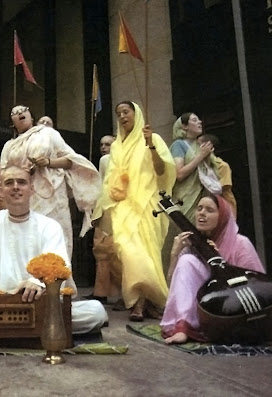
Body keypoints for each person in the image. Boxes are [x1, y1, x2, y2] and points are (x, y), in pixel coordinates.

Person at [0, 165, 107, 334]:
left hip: (39, 302)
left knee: (95, 311)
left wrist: (36, 283)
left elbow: (59, 266)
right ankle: (35, 327)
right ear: (1, 190)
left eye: (22, 182)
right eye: (9, 183)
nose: (16, 187)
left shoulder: (49, 226)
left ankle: (4, 328)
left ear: (31, 189)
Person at [92, 101, 176, 321]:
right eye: (118, 113)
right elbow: (110, 180)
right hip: (123, 206)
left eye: (126, 112)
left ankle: (140, 303)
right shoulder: (117, 146)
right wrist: (102, 208)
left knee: (146, 254)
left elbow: (161, 171)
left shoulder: (153, 139)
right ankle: (147, 300)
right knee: (127, 252)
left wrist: (150, 146)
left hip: (148, 204)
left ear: (136, 113)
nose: (122, 116)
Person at [161, 193, 265, 344]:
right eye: (199, 208)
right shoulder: (192, 247)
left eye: (209, 210)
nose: (201, 213)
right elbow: (174, 290)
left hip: (234, 313)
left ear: (222, 217)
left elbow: (257, 285)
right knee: (187, 260)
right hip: (205, 315)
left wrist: (218, 259)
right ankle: (183, 327)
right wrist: (174, 254)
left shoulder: (241, 243)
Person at [0, 105, 101, 259]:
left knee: (54, 240)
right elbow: (4, 173)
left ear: (31, 117)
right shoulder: (9, 146)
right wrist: (21, 173)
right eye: (14, 112)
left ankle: (57, 279)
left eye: (24, 109)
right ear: (12, 122)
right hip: (23, 197)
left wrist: (48, 162)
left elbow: (71, 160)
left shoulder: (48, 133)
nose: (20, 112)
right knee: (26, 243)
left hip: (52, 196)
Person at [85, 135, 122, 305]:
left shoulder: (108, 160)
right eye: (101, 144)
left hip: (109, 207)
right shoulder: (108, 159)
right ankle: (108, 293)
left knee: (105, 250)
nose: (103, 147)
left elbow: (101, 186)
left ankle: (105, 293)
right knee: (106, 251)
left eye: (108, 144)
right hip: (116, 207)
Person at [170, 113, 219, 220]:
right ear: (184, 126)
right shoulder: (179, 145)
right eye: (194, 120)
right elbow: (179, 174)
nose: (200, 122)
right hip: (186, 199)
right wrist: (201, 155)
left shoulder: (201, 145)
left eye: (199, 120)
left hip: (204, 197)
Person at [197, 134, 237, 216]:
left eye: (198, 145)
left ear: (210, 147)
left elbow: (223, 187)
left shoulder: (222, 166)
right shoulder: (199, 165)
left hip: (224, 207)